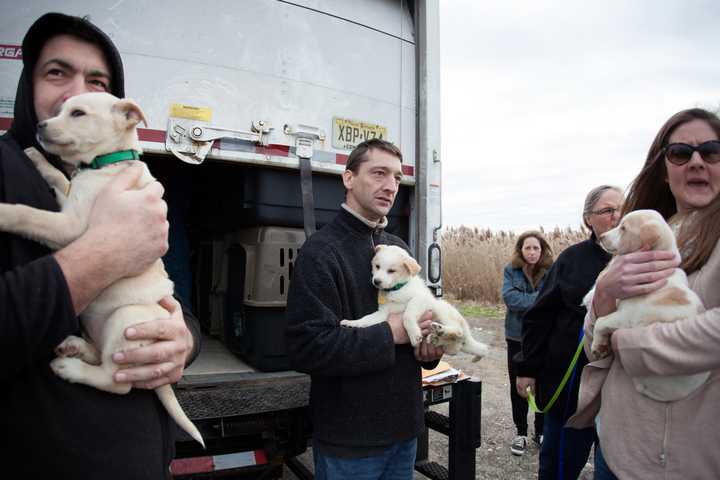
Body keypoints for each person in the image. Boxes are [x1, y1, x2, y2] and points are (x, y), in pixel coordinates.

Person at [0, 13, 201, 478]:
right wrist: (102, 253)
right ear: (26, 84)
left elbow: (161, 287)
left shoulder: (109, 176)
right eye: (56, 72)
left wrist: (181, 339)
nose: (78, 93)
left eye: (96, 82)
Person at [568, 108, 720, 479]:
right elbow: (594, 347)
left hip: (680, 463)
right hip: (617, 448)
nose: (697, 162)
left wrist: (628, 342)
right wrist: (603, 296)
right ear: (664, 171)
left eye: (712, 151)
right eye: (680, 153)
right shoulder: (642, 235)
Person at [285, 138, 444, 480]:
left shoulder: (398, 249)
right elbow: (307, 347)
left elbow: (420, 339)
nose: (390, 186)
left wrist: (429, 348)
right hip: (351, 441)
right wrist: (392, 333)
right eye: (378, 173)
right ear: (348, 179)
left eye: (398, 178)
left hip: (404, 431)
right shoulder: (320, 253)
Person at [513, 186, 623, 479]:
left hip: (621, 389)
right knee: (560, 465)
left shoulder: (640, 259)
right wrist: (527, 369)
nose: (617, 216)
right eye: (608, 210)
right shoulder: (572, 259)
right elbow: (539, 318)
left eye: (623, 209)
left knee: (614, 468)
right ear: (589, 219)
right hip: (570, 384)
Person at [501, 230, 553, 455]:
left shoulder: (552, 270)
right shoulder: (510, 270)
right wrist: (539, 301)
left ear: (542, 251)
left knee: (542, 383)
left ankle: (540, 431)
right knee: (518, 386)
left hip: (543, 337)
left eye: (536, 248)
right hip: (516, 336)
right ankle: (520, 432)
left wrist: (534, 303)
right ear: (521, 250)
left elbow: (553, 300)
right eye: (528, 248)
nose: (532, 252)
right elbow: (510, 299)